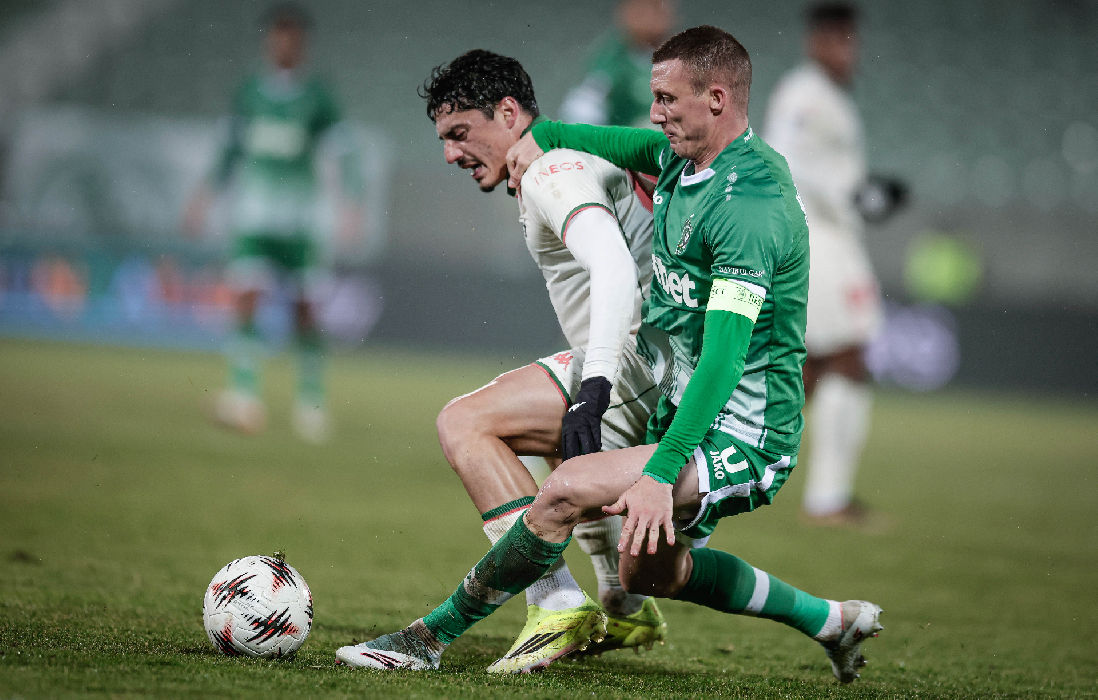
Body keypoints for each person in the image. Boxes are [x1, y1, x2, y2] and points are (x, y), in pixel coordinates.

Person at [337, 26, 883, 683]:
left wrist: (659, 473)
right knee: (647, 573)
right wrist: (542, 136)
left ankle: (427, 638)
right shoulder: (680, 157)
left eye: (666, 99)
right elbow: (610, 140)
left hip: (742, 429)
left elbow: (723, 361)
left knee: (564, 490)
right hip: (672, 393)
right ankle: (832, 621)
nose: (654, 111)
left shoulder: (752, 208)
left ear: (715, 99)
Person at [340, 50, 667, 673]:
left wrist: (593, 386)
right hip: (663, 363)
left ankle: (555, 603)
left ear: (510, 113)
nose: (450, 154)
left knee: (466, 422)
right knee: (554, 444)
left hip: (633, 364)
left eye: (461, 132)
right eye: (443, 139)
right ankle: (622, 603)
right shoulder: (574, 158)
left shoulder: (550, 171)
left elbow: (613, 267)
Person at [183, 3, 364, 443]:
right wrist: (203, 198)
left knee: (304, 311)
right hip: (254, 215)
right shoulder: (248, 91)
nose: (284, 42)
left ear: (302, 43)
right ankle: (244, 394)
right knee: (244, 297)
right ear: (269, 40)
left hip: (300, 220)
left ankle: (311, 403)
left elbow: (345, 152)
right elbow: (229, 151)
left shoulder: (318, 95)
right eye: (278, 34)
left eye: (292, 35)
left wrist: (351, 204)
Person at [762, 3, 888, 525]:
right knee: (847, 357)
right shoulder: (804, 93)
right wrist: (855, 195)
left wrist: (865, 195)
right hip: (816, 238)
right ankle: (828, 497)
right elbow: (786, 157)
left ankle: (731, 460)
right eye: (837, 39)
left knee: (812, 366)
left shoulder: (830, 96)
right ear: (815, 41)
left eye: (851, 40)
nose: (846, 51)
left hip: (832, 237)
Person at [560, 0, 676, 128]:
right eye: (643, 10)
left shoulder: (679, 57)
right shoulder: (612, 60)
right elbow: (582, 108)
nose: (652, 17)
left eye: (658, 9)